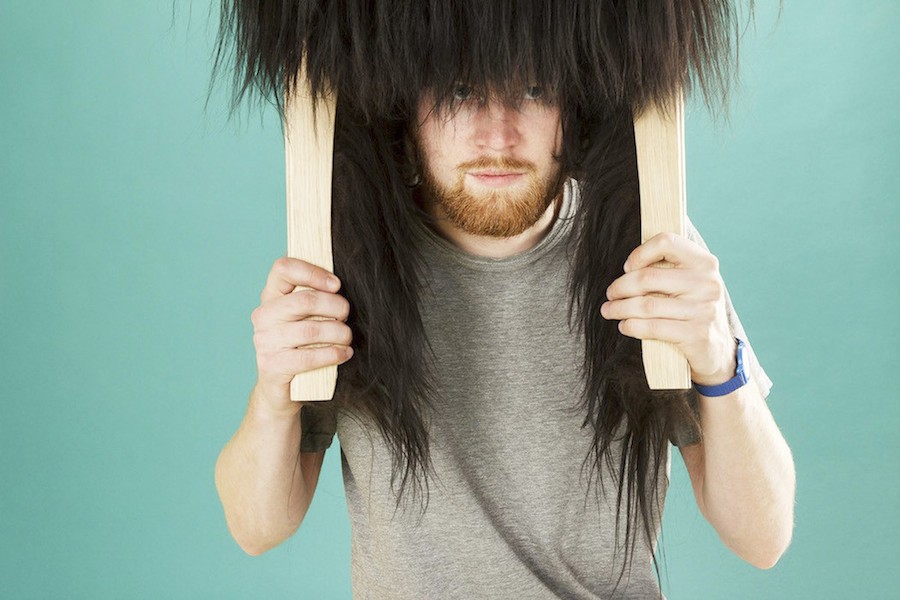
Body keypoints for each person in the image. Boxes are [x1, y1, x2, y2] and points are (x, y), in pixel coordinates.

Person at [213, 2, 795, 598]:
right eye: (460, 91)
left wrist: (721, 366)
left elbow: (764, 537)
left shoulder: (647, 245)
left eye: (534, 90)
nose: (498, 136)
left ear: (573, 108)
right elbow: (257, 528)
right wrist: (274, 394)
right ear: (406, 113)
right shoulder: (354, 258)